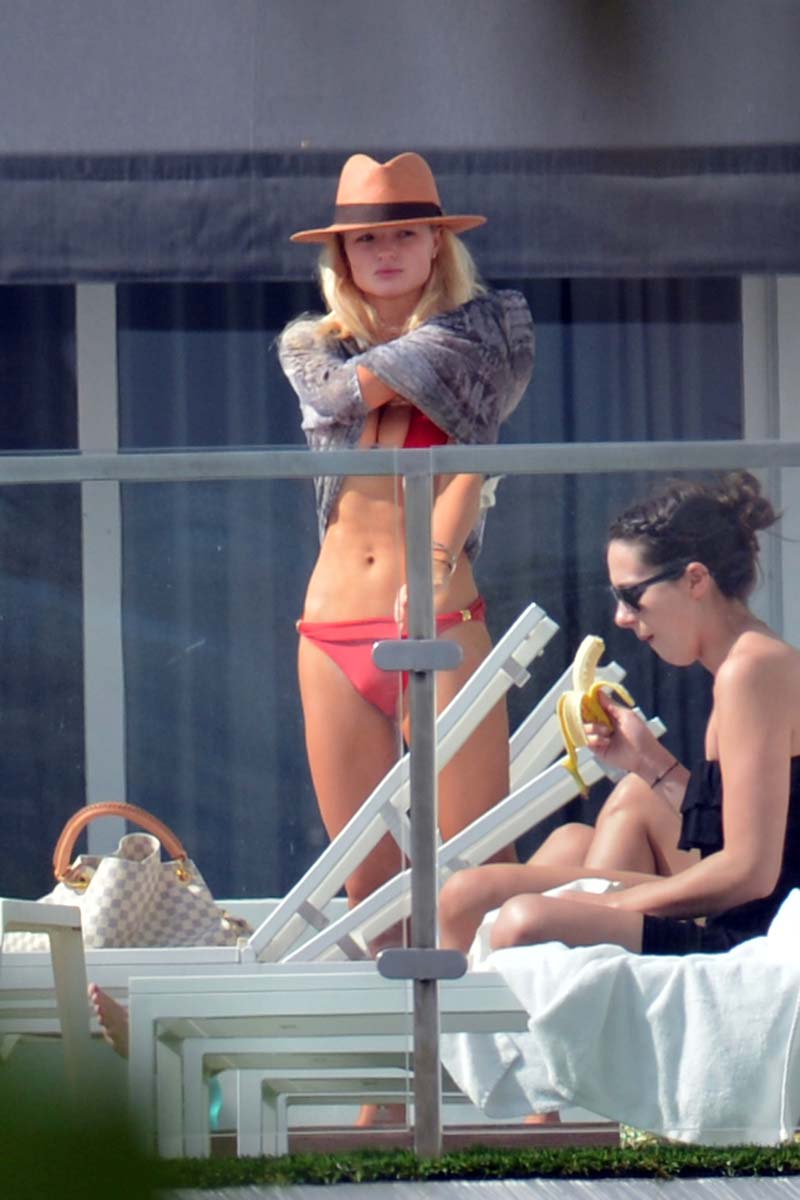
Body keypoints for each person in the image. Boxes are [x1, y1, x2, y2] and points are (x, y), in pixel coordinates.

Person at [278, 152, 535, 948]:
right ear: (342, 256)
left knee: (480, 868)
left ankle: (494, 1027)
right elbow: (330, 391)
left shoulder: (484, 337)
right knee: (370, 890)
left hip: (438, 615)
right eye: (365, 239)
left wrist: (431, 564)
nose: (385, 251)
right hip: (331, 629)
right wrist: (408, 364)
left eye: (405, 234)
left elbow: (469, 460)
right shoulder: (309, 346)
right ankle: (393, 1032)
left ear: (436, 245)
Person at [439, 470, 800, 961]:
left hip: (747, 933)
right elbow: (740, 829)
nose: (622, 617)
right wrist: (647, 761)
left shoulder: (750, 671)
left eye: (632, 596)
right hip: (745, 908)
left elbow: (750, 872)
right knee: (504, 874)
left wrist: (607, 906)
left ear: (695, 579)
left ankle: (471, 1007)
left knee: (519, 919)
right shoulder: (747, 663)